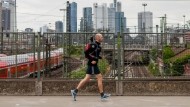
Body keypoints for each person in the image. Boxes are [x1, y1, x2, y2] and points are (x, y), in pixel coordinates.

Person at [71, 33, 110, 101]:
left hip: (93, 64)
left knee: (87, 78)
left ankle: (75, 91)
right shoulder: (93, 45)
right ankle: (102, 95)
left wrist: (100, 57)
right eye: (101, 37)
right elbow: (86, 53)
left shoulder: (98, 46)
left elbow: (95, 54)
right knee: (99, 77)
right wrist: (93, 59)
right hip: (92, 64)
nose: (103, 38)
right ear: (97, 38)